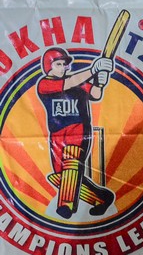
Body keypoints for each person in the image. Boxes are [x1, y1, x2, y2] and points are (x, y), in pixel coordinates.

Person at [36, 47, 116, 219]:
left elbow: (95, 94)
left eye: (64, 64)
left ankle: (65, 206)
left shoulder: (77, 82)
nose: (63, 67)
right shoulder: (44, 84)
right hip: (57, 133)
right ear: (48, 66)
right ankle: (103, 198)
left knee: (71, 164)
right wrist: (93, 70)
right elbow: (69, 83)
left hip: (78, 129)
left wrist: (99, 82)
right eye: (58, 64)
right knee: (60, 176)